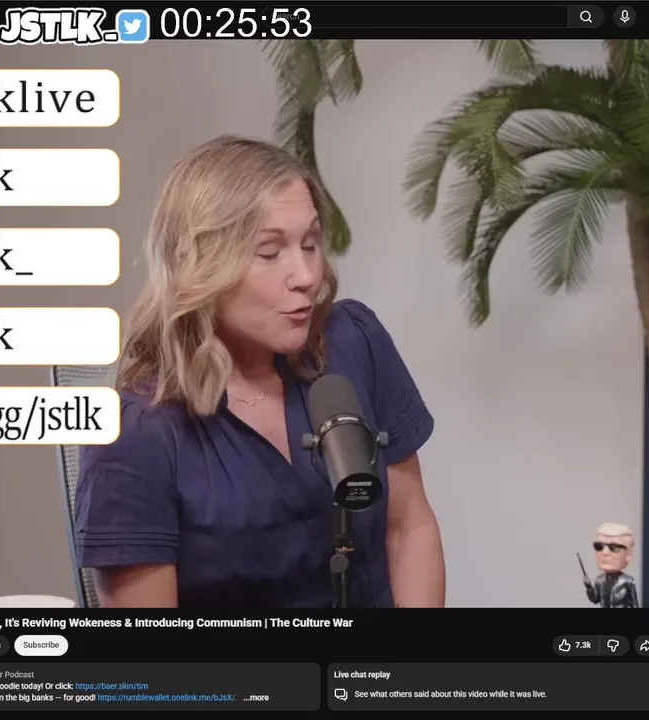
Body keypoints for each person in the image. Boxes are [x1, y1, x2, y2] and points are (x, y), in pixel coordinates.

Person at [73, 136, 446, 609]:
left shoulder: (353, 341)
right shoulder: (136, 432)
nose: (306, 275)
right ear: (199, 265)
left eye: (310, 243)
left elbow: (409, 526)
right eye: (269, 252)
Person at [581, 523, 639, 608]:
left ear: (628, 555)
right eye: (599, 546)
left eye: (614, 547)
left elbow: (635, 605)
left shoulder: (628, 581)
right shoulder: (599, 580)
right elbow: (595, 599)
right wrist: (589, 587)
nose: (605, 552)